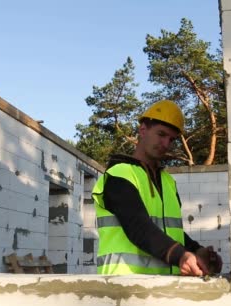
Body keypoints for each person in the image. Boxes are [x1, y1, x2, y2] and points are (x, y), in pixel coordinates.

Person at [92, 100, 222, 276]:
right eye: (161, 134)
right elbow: (138, 227)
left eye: (172, 139)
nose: (166, 144)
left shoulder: (167, 181)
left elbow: (169, 231)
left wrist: (198, 252)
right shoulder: (119, 174)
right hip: (123, 285)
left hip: (161, 288)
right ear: (143, 130)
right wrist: (180, 256)